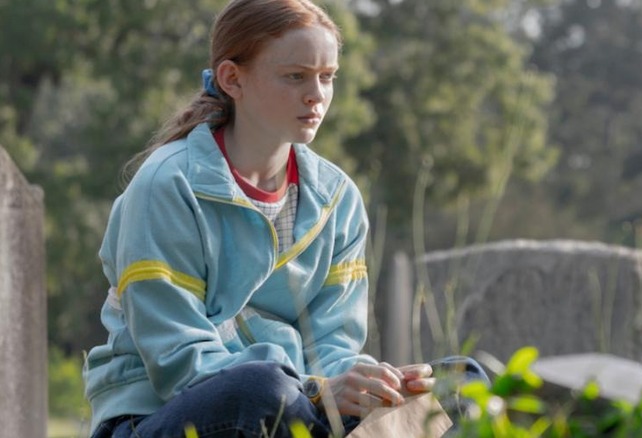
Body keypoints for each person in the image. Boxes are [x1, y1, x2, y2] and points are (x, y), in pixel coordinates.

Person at [84, 1, 487, 437]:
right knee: (261, 388)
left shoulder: (337, 198)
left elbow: (333, 345)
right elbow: (178, 361)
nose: (316, 94)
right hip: (158, 416)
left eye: (327, 77)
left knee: (461, 383)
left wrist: (369, 384)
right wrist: (316, 392)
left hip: (299, 409)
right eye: (296, 76)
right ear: (232, 79)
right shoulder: (167, 185)